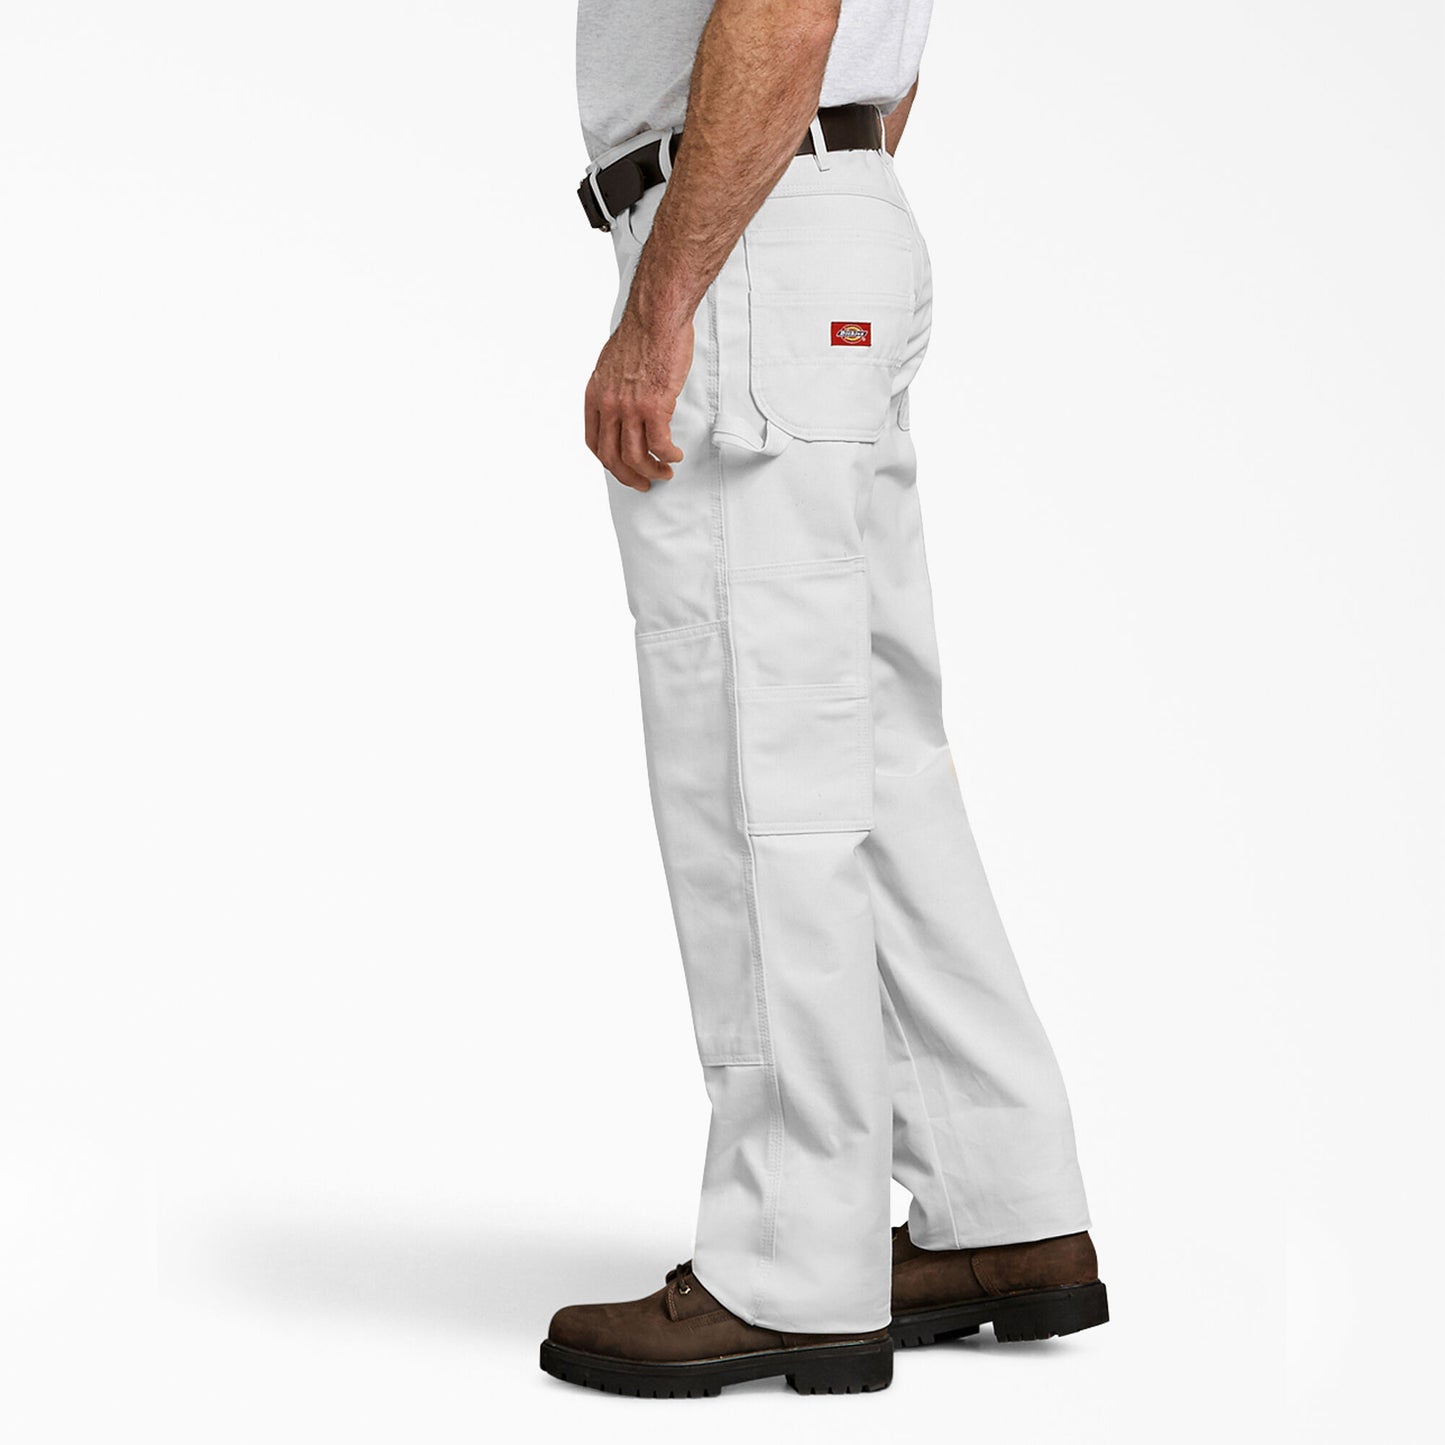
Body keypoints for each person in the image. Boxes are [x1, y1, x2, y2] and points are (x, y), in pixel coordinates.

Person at [541, 0, 1107, 1397]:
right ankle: (999, 1201)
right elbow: (873, 58)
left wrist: (665, 300)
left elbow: (789, 12)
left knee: (760, 764)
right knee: (872, 762)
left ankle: (793, 1262)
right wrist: (822, 194)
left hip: (740, 237)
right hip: (825, 213)